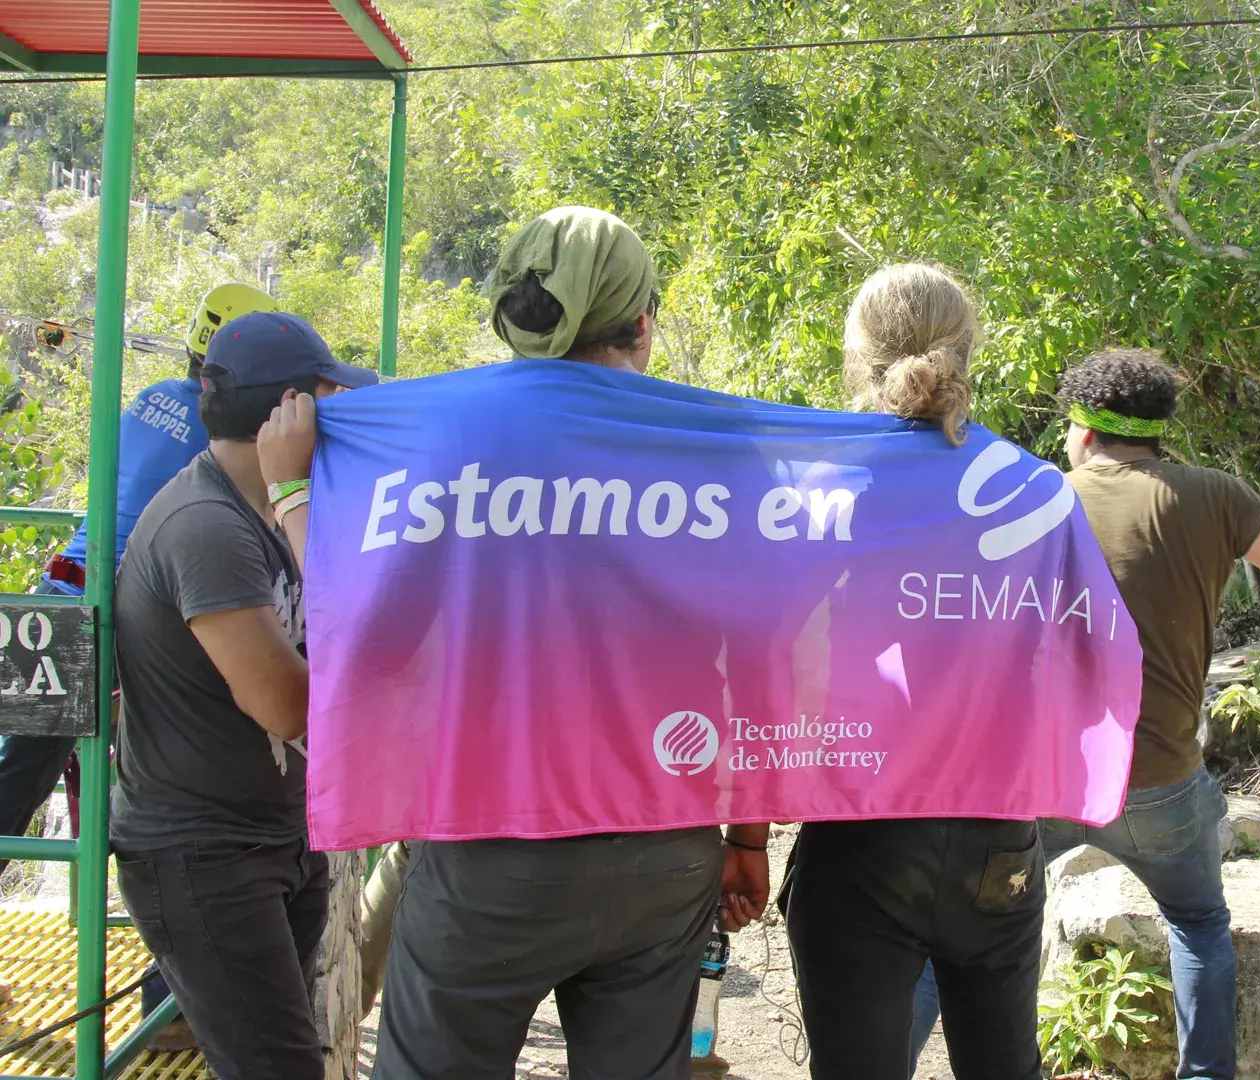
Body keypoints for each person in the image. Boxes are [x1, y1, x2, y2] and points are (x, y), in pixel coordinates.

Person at [260, 206, 770, 1080]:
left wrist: (291, 494)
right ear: (642, 321)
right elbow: (758, 649)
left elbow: (372, 632)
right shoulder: (719, 446)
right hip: (664, 847)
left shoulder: (447, 436)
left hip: (490, 848)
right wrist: (748, 837)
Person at [908, 349, 1260, 1078]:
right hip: (1161, 781)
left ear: (1080, 431)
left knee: (946, 933)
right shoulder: (1214, 496)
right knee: (1198, 922)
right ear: (1158, 432)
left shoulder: (1032, 498)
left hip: (1040, 783)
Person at [780, 263, 1056, 1080]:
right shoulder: (1032, 488)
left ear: (855, 356)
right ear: (970, 349)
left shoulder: (822, 488)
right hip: (999, 835)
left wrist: (748, 831)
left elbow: (772, 647)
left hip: (863, 822)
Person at [0, 283, 275, 1047]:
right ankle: (173, 1003)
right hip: (127, 620)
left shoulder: (154, 396)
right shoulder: (225, 438)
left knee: (13, 780)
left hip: (58, 596)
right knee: (171, 791)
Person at [111, 310, 375, 1080]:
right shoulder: (207, 528)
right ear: (285, 412)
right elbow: (287, 707)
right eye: (324, 399)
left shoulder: (264, 511)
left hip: (275, 836)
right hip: (206, 853)